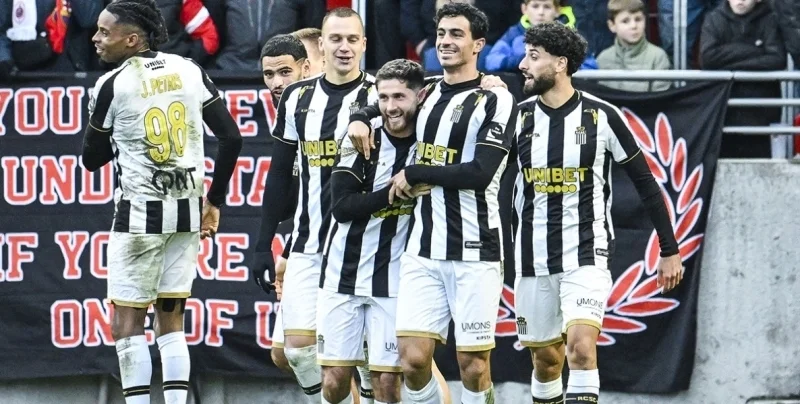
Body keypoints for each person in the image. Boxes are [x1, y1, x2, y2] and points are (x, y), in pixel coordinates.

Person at [348, 4, 518, 403]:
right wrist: (360, 115)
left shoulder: (495, 98)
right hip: (423, 249)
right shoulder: (427, 91)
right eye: (441, 33)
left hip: (475, 248)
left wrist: (417, 172)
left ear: (478, 44)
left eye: (456, 34)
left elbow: (481, 172)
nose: (445, 41)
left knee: (473, 365)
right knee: (411, 360)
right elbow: (389, 101)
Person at [80, 0, 242, 403]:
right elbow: (231, 137)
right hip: (186, 215)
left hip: (139, 219)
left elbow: (91, 159)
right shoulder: (189, 69)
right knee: (171, 321)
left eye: (105, 32)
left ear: (132, 40)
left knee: (127, 324)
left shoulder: (111, 85)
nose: (96, 38)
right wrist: (214, 200)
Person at [513, 22, 682, 403]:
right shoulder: (517, 118)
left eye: (533, 57)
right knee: (546, 361)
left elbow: (646, 184)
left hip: (587, 253)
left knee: (581, 348)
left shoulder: (601, 116)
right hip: (532, 256)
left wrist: (669, 249)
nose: (523, 65)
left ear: (561, 64)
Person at [250, 7, 377, 403]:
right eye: (335, 39)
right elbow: (278, 173)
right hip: (307, 242)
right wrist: (262, 245)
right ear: (321, 45)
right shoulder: (297, 97)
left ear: (364, 44)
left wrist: (488, 82)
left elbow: (435, 91)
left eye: (351, 39)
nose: (344, 47)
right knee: (297, 351)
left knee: (370, 362)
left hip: (364, 245)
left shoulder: (379, 94)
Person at [318, 58, 430, 404]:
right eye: (383, 98)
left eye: (399, 97)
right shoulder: (361, 137)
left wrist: (491, 82)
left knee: (387, 382)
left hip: (394, 277)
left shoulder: (432, 137)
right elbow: (342, 208)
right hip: (343, 273)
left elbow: (455, 82)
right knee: (334, 381)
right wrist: (398, 190)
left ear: (419, 96)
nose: (390, 107)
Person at [596, 0, 671, 92]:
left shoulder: (658, 57)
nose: (633, 26)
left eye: (638, 19)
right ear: (612, 25)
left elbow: (661, 97)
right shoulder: (603, 59)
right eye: (625, 21)